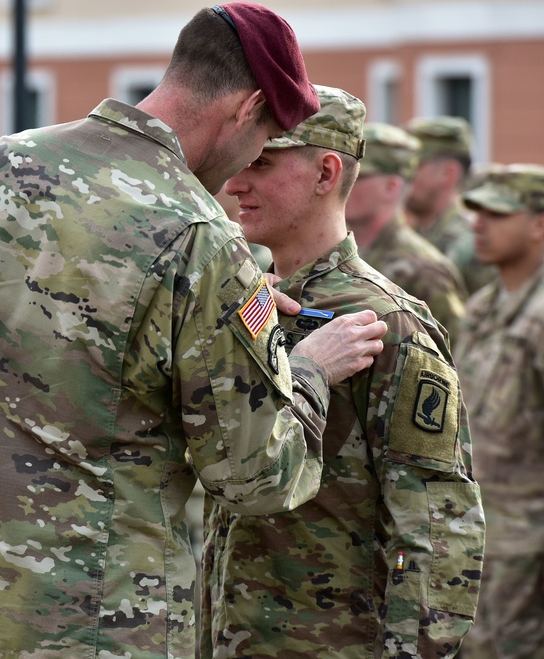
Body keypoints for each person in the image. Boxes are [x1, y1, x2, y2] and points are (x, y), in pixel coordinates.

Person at [0, 4, 389, 658]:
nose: (251, 164)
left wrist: (205, 318)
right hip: (94, 619)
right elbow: (256, 474)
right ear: (247, 109)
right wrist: (312, 373)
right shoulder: (201, 239)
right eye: (265, 135)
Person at [204, 85, 483, 658]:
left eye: (260, 163)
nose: (234, 184)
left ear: (326, 173)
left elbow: (432, 525)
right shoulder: (253, 302)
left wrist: (412, 650)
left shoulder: (385, 323)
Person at [455, 164, 544, 658]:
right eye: (476, 212)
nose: (478, 224)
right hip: (479, 534)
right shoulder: (482, 307)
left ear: (541, 224)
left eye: (496, 213)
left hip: (530, 541)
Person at [346, 121, 467, 344]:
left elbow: (453, 355)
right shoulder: (341, 253)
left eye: (358, 176)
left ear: (391, 187)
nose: (342, 182)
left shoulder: (425, 271)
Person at [405, 116, 495, 295]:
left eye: (413, 165)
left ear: (448, 173)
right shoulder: (415, 234)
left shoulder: (473, 244)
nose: (403, 175)